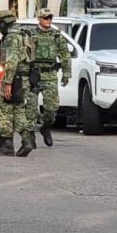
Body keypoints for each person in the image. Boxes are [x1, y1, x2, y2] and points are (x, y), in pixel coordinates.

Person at [26, 8, 72, 148]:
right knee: (30, 109)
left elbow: (65, 55)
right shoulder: (29, 34)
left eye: (50, 18)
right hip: (33, 74)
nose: (49, 20)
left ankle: (45, 128)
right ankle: (30, 137)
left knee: (51, 109)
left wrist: (66, 73)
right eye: (46, 18)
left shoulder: (57, 36)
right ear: (39, 19)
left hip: (50, 75)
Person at [0, 9, 34, 157]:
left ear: (4, 23)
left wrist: (7, 83)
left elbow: (11, 61)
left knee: (4, 111)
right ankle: (27, 141)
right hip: (23, 79)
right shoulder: (23, 34)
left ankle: (7, 145)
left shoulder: (11, 37)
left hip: (13, 78)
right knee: (19, 111)